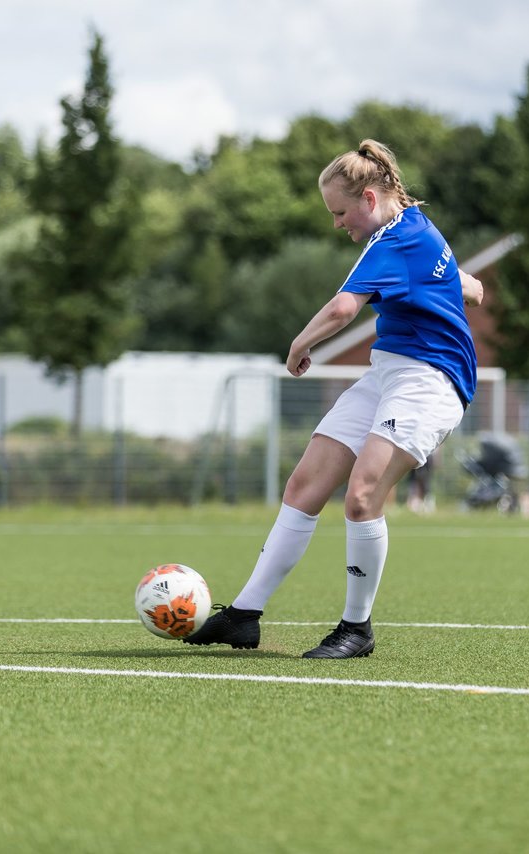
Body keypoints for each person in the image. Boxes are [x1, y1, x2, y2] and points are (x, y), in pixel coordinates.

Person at [184, 139, 482, 659]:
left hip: (431, 380)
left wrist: (300, 344)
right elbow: (467, 285)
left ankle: (356, 629)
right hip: (388, 372)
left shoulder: (390, 241)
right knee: (305, 483)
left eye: (340, 212)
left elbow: (344, 310)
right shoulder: (410, 232)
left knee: (363, 494)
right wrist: (457, 285)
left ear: (369, 199)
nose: (337, 224)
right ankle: (244, 616)